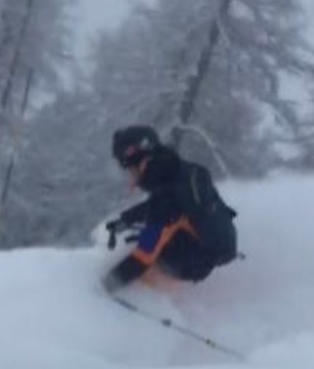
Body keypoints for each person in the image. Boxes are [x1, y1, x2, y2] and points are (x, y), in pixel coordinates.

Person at [101, 125, 238, 294]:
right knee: (149, 236)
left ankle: (145, 297)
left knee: (147, 247)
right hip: (207, 248)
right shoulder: (175, 172)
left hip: (196, 259)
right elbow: (162, 206)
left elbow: (146, 251)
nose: (130, 176)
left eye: (129, 168)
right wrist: (126, 220)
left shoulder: (166, 193)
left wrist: (106, 285)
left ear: (138, 159)